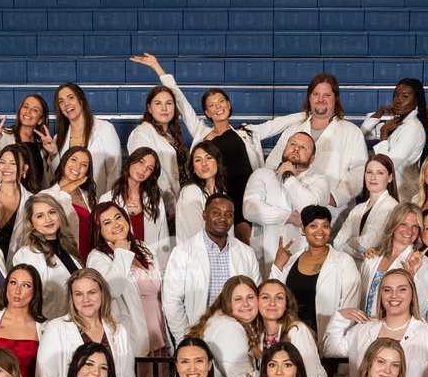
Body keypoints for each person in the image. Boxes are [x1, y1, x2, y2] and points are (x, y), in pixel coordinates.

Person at [131, 52, 305, 243]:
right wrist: (158, 67)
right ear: (207, 113)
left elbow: (277, 124)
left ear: (229, 105)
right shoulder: (201, 133)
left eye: (221, 101)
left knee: (248, 247)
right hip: (219, 197)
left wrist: (309, 114)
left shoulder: (247, 132)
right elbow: (179, 99)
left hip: (246, 195)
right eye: (211, 105)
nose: (218, 106)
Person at [325, 269, 428, 377]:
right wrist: (340, 317)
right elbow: (331, 349)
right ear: (381, 295)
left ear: (412, 294)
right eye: (387, 290)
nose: (394, 295)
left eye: (402, 289)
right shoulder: (363, 329)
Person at [264, 73, 370, 222]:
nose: (321, 99)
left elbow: (358, 173)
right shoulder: (292, 130)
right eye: (316, 94)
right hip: (289, 209)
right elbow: (272, 164)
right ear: (309, 97)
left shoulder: (351, 132)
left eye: (327, 95)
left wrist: (334, 197)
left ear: (336, 99)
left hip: (332, 213)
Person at [162, 193, 260, 342]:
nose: (222, 218)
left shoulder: (246, 252)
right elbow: (171, 301)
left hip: (239, 335)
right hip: (199, 335)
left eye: (228, 214)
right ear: (204, 214)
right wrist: (186, 338)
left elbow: (255, 293)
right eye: (216, 213)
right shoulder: (183, 252)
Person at [85, 201, 167, 372]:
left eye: (118, 217)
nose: (116, 224)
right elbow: (111, 291)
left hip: (159, 334)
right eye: (107, 223)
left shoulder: (142, 247)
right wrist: (121, 252)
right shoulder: (97, 257)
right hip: (134, 336)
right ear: (98, 231)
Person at [268, 205, 361, 346]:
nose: (320, 231)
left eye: (325, 226)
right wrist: (278, 265)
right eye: (313, 226)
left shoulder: (344, 261)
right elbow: (274, 296)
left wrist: (336, 342)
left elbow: (350, 306)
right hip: (291, 339)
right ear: (303, 229)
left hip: (326, 341)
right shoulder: (291, 261)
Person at [37, 267, 136, 377]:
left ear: (102, 293)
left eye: (92, 292)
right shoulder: (56, 328)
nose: (86, 299)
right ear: (72, 298)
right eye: (78, 294)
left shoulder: (118, 330)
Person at [243, 131, 331, 273]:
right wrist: (290, 217)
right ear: (284, 149)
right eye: (293, 144)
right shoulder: (262, 174)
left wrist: (287, 176)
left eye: (303, 147)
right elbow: (250, 210)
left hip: (303, 260)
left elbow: (310, 209)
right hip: (265, 259)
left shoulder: (319, 180)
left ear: (312, 158)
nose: (296, 149)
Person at [255, 277, 334, 377]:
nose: (272, 303)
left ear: (286, 304)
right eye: (265, 297)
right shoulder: (259, 335)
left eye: (279, 298)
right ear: (256, 302)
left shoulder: (298, 331)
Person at [184, 275, 262, 377]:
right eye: (238, 299)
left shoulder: (223, 318)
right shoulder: (229, 328)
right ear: (227, 302)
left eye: (250, 297)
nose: (246, 303)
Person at [10, 192, 81, 320]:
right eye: (40, 216)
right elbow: (27, 301)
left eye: (52, 212)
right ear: (31, 222)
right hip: (50, 327)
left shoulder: (67, 246)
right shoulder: (29, 254)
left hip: (75, 322)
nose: (48, 219)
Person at [357, 203, 428, 321]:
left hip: (395, 331)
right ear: (393, 224)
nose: (409, 231)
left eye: (415, 226)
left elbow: (422, 308)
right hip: (365, 329)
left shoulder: (421, 262)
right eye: (403, 224)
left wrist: (411, 277)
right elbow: (358, 298)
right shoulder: (373, 257)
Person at [361, 77, 428, 202]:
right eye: (396, 95)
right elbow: (363, 134)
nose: (398, 101)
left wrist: (384, 133)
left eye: (405, 97)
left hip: (401, 196)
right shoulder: (400, 122)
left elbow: (388, 165)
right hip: (391, 193)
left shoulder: (412, 128)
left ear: (416, 101)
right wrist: (381, 111)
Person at [125, 81, 190, 213]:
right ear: (150, 108)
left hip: (181, 203)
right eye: (158, 103)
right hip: (158, 203)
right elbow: (144, 172)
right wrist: (169, 203)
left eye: (169, 103)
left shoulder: (171, 136)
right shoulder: (142, 133)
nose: (164, 108)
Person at [98, 148, 171, 265]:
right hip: (117, 263)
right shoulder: (107, 199)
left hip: (148, 266)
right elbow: (101, 240)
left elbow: (163, 239)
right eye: (141, 162)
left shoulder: (155, 201)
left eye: (150, 168)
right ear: (131, 161)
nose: (144, 169)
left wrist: (162, 272)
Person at [47, 82, 123, 191]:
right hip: (69, 203)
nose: (66, 104)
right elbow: (57, 177)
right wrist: (53, 155)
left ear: (81, 100)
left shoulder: (106, 129)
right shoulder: (57, 139)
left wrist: (107, 204)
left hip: (99, 201)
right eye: (61, 101)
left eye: (71, 98)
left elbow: (114, 172)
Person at [0, 94, 55, 189]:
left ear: (40, 119)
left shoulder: (42, 145)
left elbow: (47, 181)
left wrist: (52, 154)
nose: (28, 111)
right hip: (2, 197)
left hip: (32, 199)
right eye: (26, 106)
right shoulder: (1, 135)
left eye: (35, 110)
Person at [332, 154, 399, 262]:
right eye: (369, 172)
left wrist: (348, 242)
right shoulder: (357, 209)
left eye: (380, 173)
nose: (373, 177)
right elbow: (337, 243)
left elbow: (367, 243)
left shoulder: (392, 207)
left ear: (390, 178)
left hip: (372, 268)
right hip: (350, 268)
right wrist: (360, 254)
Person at [45, 145, 99, 260]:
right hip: (64, 258)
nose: (78, 166)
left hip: (90, 258)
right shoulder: (46, 196)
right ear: (64, 162)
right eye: (73, 160)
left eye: (84, 165)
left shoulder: (88, 195)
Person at [173, 141, 227, 244]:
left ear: (217, 162)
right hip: (197, 255)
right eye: (198, 160)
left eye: (209, 158)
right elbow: (197, 235)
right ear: (193, 168)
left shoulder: (222, 193)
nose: (204, 163)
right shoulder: (190, 192)